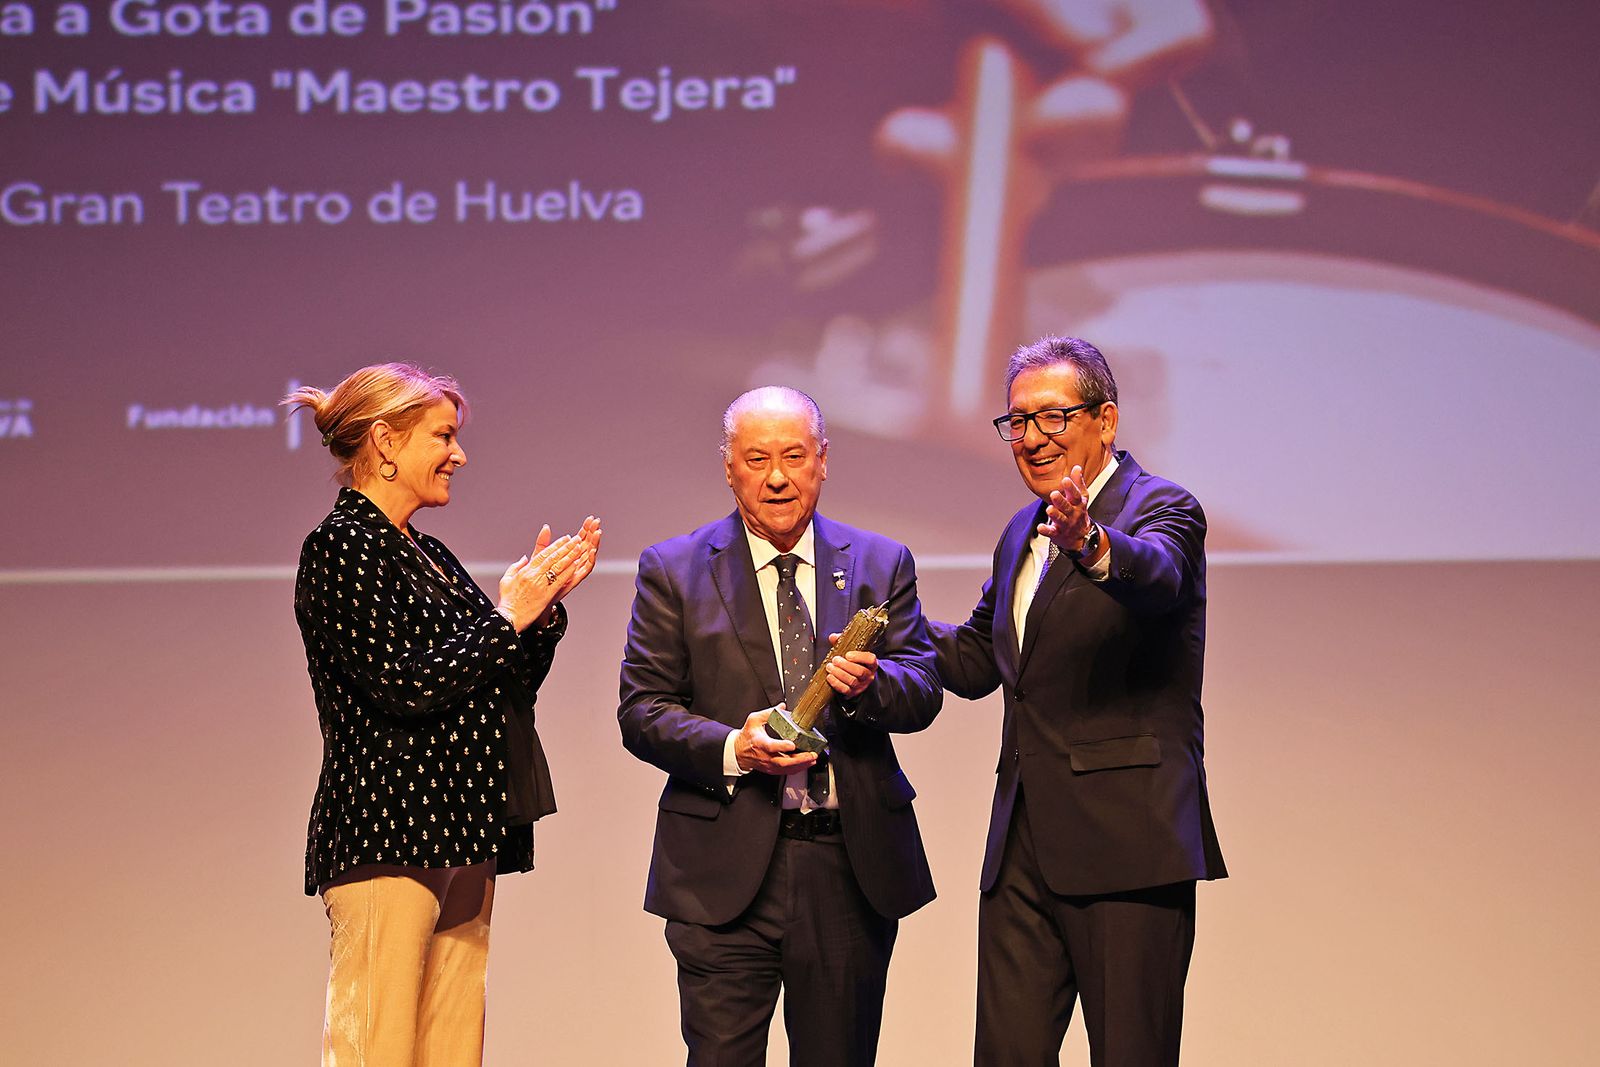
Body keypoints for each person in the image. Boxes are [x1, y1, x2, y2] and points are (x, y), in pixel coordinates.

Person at [284, 363, 601, 1066]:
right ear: (385, 440)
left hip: (460, 829)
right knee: (377, 1049)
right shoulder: (341, 546)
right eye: (445, 435)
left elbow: (499, 686)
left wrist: (536, 618)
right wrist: (506, 616)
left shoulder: (427, 553)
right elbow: (401, 685)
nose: (459, 453)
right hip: (388, 833)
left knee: (452, 1053)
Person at [618, 386, 942, 1067]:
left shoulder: (881, 563)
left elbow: (923, 691)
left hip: (846, 866)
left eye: (794, 456)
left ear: (823, 461)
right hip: (722, 871)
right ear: (729, 467)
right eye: (757, 458)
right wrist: (732, 747)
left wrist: (871, 688)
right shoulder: (673, 569)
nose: (776, 476)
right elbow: (642, 709)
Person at [929, 337, 1226, 1066]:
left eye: (1053, 417)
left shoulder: (1164, 507)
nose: (1032, 438)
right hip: (1023, 849)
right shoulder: (1020, 532)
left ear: (1107, 420)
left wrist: (1092, 543)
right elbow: (975, 659)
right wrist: (887, 626)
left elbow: (1154, 575)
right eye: (1017, 421)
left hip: (1127, 843)